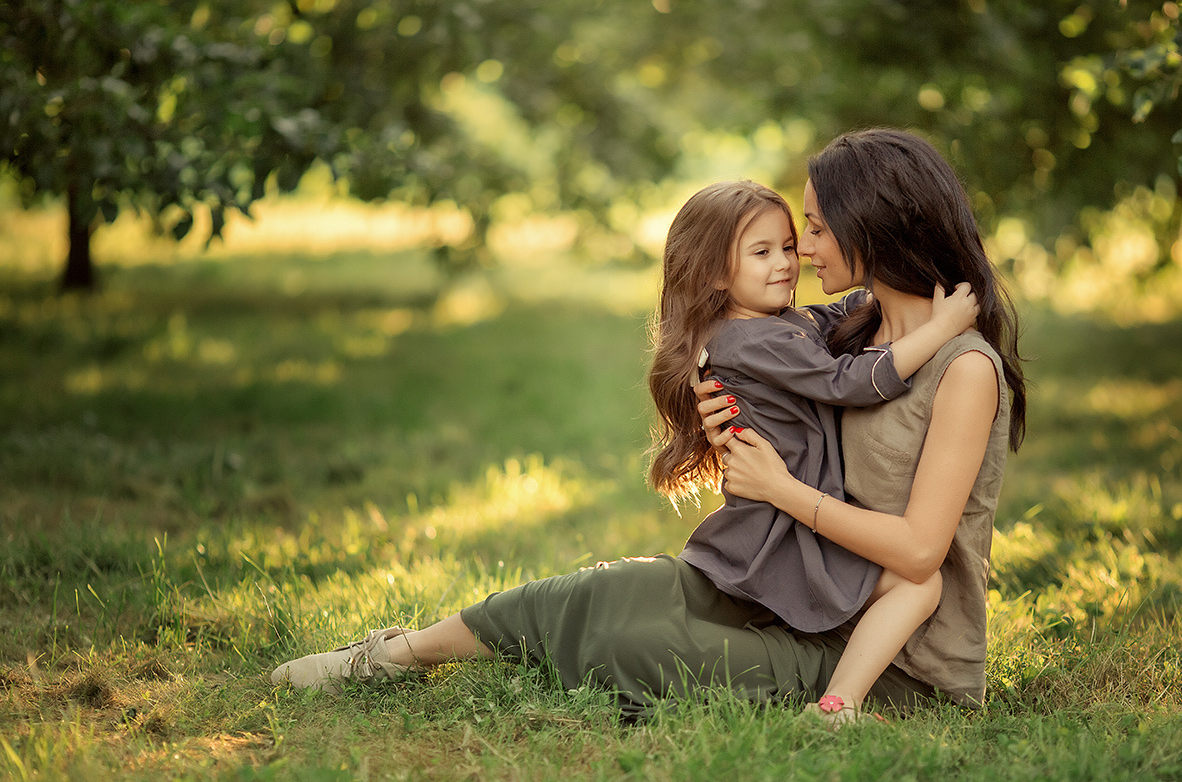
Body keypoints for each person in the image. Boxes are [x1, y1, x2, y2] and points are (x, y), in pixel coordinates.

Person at [271, 128, 1025, 724]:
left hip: (895, 660)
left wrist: (782, 488)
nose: (805, 251)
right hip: (805, 600)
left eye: (817, 231)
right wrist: (723, 421)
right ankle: (396, 655)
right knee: (606, 591)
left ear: (879, 227)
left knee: (633, 643)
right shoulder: (853, 335)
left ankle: (826, 706)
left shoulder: (961, 369)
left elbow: (922, 552)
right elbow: (777, 383)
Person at [646, 179, 978, 723]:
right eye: (761, 252)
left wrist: (887, 287)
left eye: (788, 244)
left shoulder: (771, 326)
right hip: (782, 529)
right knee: (920, 584)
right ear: (713, 273)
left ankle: (834, 701)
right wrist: (941, 328)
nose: (788, 261)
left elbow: (827, 319)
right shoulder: (754, 341)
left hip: (786, 516)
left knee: (914, 585)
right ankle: (838, 703)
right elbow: (848, 381)